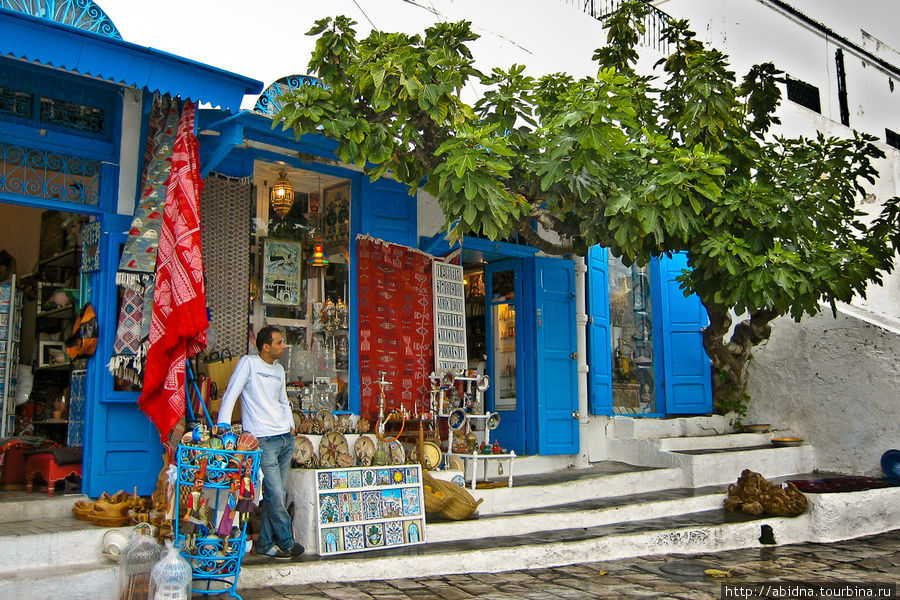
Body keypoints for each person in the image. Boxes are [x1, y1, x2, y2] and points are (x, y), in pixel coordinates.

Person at [216, 326, 304, 559]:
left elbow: (283, 400)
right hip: (262, 439)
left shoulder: (279, 370)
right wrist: (223, 426)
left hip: (284, 438)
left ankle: (265, 544)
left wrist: (290, 426)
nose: (284, 346)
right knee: (276, 493)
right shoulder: (249, 363)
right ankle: (286, 541)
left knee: (276, 493)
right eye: (279, 342)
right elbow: (231, 393)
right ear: (265, 346)